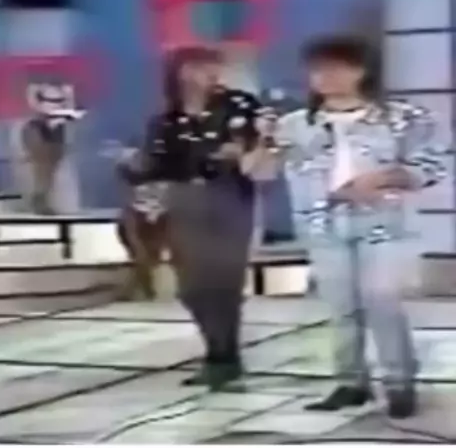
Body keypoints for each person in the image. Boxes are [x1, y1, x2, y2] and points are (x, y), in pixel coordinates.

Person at [243, 36, 445, 419]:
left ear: (362, 71)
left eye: (338, 67)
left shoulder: (403, 118)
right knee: (340, 306)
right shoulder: (294, 125)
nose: (326, 76)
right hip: (322, 226)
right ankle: (350, 383)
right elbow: (258, 172)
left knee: (382, 299)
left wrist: (384, 178)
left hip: (386, 224)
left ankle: (400, 382)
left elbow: (434, 164)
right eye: (318, 69)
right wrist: (264, 139)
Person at [140, 46, 261, 390]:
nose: (207, 73)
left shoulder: (239, 106)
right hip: (183, 200)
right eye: (196, 67)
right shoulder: (165, 119)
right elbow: (155, 164)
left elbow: (257, 144)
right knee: (192, 288)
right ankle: (219, 352)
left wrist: (239, 152)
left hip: (229, 196)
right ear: (178, 72)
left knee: (225, 283)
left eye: (212, 66)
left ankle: (224, 360)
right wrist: (136, 169)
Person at [116, 142, 170, 301]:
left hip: (156, 216)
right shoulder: (134, 196)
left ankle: (141, 289)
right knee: (142, 254)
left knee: (150, 256)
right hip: (136, 216)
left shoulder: (165, 182)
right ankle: (139, 290)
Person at [21, 84, 85, 214]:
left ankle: (43, 200)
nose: (56, 105)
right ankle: (39, 200)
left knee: (50, 171)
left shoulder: (62, 120)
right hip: (40, 130)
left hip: (55, 131)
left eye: (59, 101)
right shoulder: (34, 124)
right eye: (51, 101)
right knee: (42, 169)